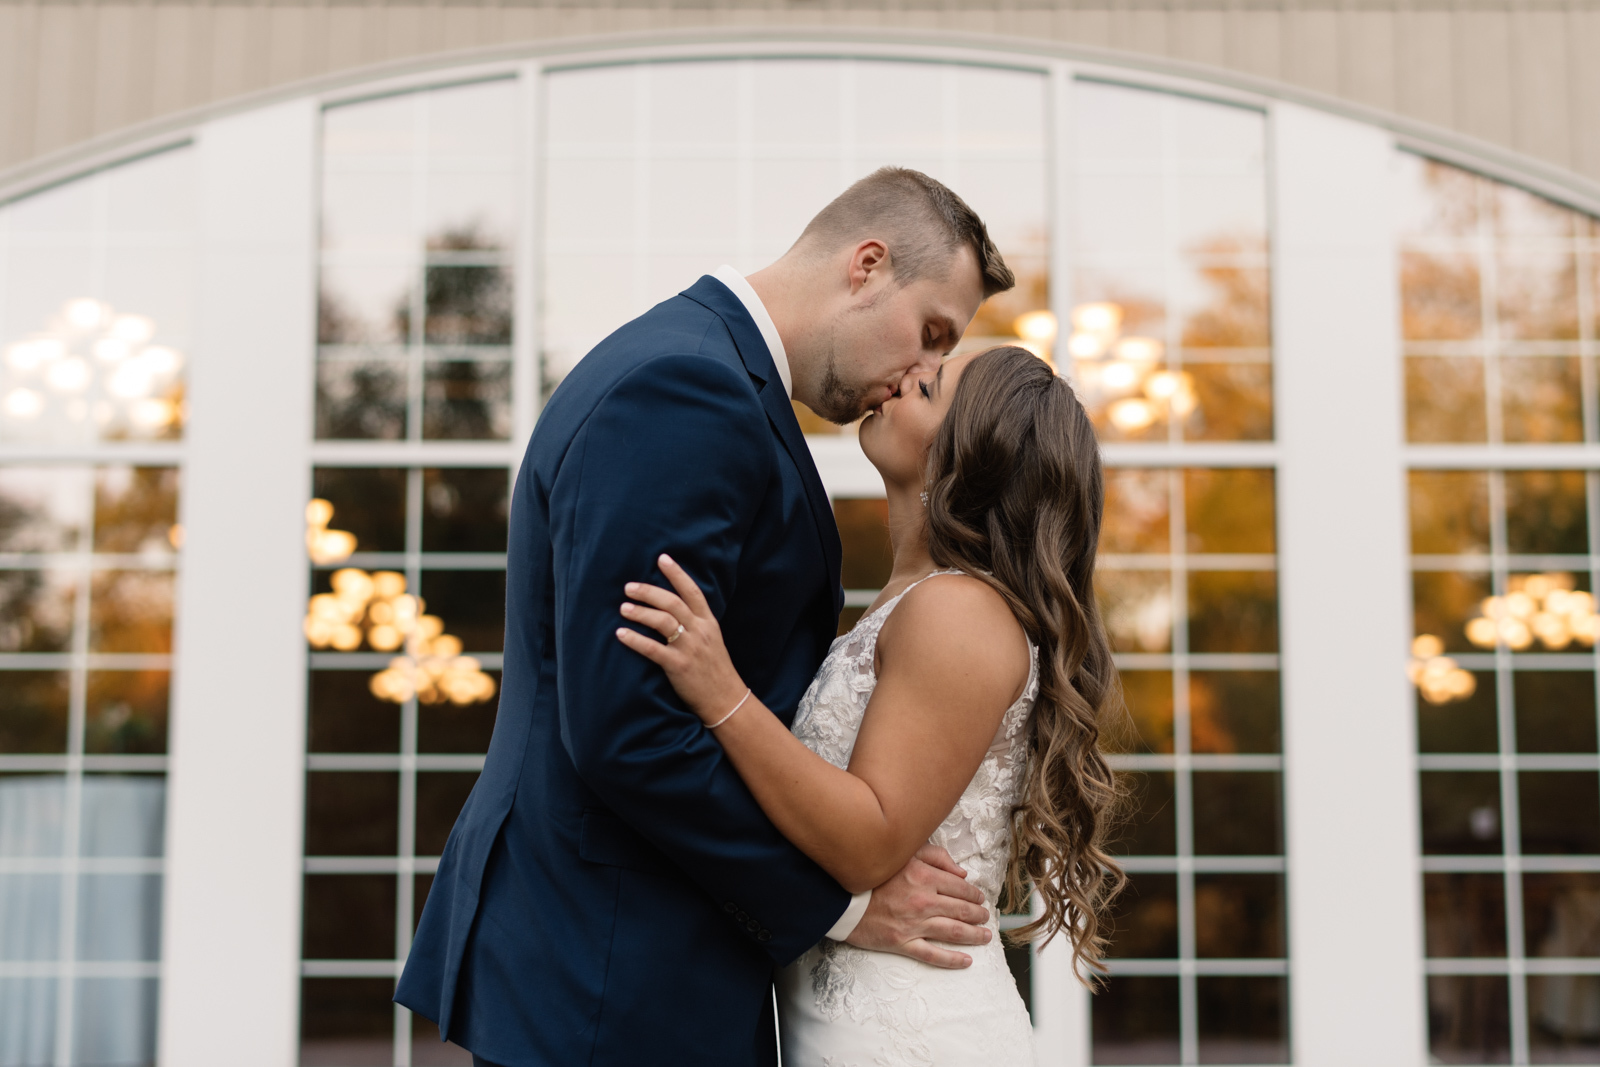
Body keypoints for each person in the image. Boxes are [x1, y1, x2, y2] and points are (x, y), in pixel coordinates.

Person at [396, 168, 1018, 1067]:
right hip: (612, 972)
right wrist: (837, 905)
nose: (921, 374)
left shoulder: (710, 373)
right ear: (868, 264)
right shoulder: (690, 388)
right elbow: (629, 725)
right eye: (929, 334)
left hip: (632, 968)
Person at [617, 345, 1127, 1065]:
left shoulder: (961, 612)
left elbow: (869, 839)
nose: (899, 379)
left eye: (930, 385)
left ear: (968, 454)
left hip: (913, 1034)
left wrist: (721, 692)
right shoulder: (908, 602)